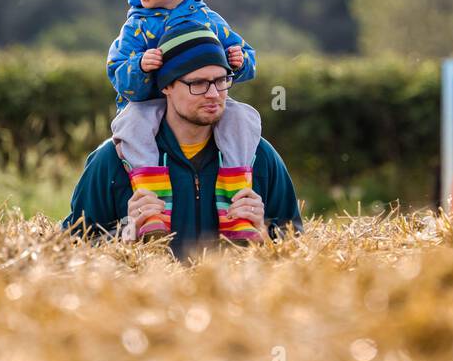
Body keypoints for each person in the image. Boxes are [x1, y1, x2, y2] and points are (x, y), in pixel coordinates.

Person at [65, 26, 301, 258]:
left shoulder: (259, 155)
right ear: (166, 85)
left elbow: (298, 249)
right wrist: (126, 235)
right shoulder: (112, 159)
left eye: (221, 80)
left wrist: (262, 231)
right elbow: (71, 248)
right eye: (197, 84)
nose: (213, 94)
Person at [106, 0, 257, 214]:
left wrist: (239, 61)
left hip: (196, 106)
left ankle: (235, 193)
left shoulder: (209, 21)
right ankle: (152, 203)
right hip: (147, 107)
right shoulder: (136, 26)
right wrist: (139, 67)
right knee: (132, 125)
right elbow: (117, 70)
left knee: (244, 118)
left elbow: (246, 54)